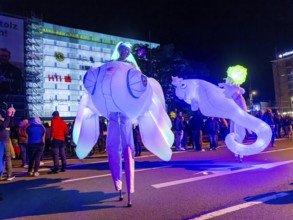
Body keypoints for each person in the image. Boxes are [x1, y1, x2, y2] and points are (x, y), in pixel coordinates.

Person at [105, 42, 139, 207]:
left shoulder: (131, 65)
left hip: (124, 110)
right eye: (123, 50)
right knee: (113, 147)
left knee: (127, 147)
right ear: (119, 51)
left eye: (127, 50)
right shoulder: (111, 64)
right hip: (113, 109)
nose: (125, 52)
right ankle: (118, 185)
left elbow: (138, 84)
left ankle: (129, 188)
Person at [0, 107, 16, 181]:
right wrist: (9, 115)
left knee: (7, 158)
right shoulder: (2, 122)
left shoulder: (4, 120)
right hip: (2, 141)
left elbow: (11, 125)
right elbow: (4, 126)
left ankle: (9, 174)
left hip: (5, 141)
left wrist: (11, 116)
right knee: (3, 158)